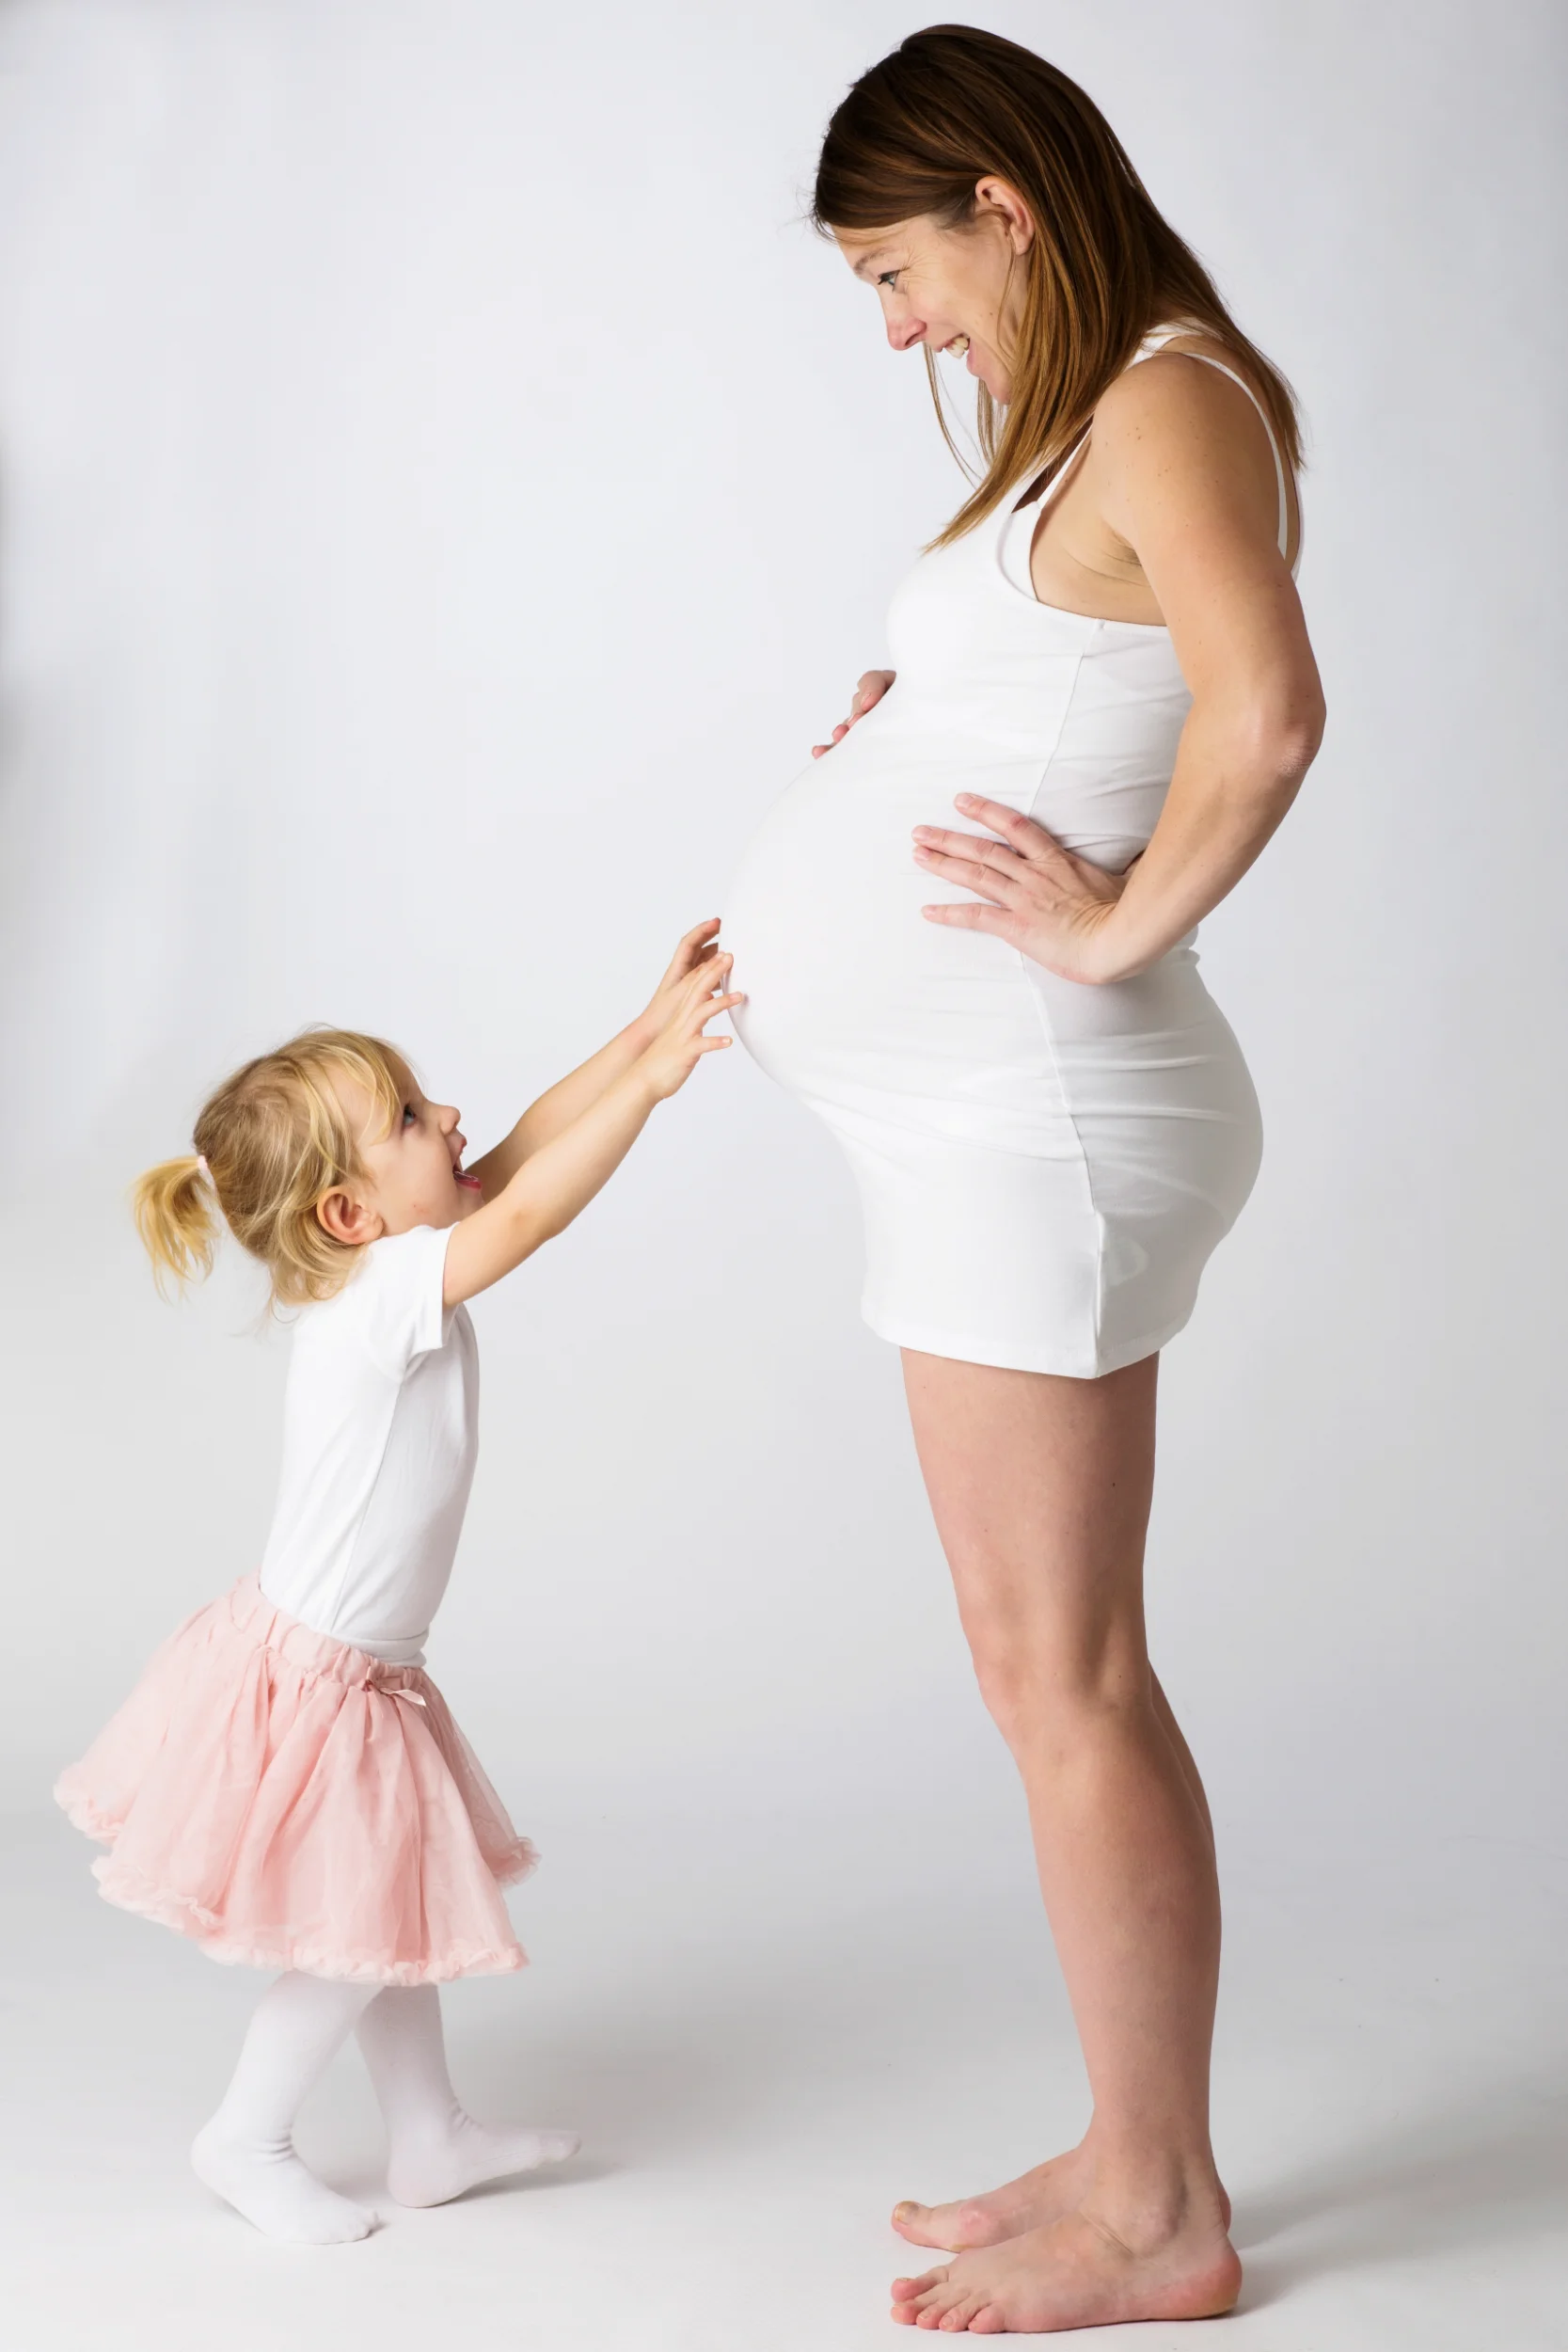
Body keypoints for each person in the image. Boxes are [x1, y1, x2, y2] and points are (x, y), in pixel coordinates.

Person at [724, 27, 1323, 2335]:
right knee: (1033, 1663)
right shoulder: (1085, 414)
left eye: (896, 274)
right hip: (968, 1119)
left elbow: (1264, 713)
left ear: (998, 199)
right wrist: (909, 738)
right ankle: (1123, 2136)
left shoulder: (1164, 394)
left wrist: (1104, 927)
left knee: (1062, 1671)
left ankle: (1158, 2207)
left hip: (1034, 1117)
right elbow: (1082, 681)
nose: (894, 331)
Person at [55, 927, 740, 2245]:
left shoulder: (390, 1271)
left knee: (388, 1906)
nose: (453, 1119)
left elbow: (520, 1151)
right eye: (415, 1120)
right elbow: (530, 1208)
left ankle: (429, 2135)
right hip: (325, 1679)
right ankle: (245, 2138)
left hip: (349, 1662)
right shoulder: (380, 1299)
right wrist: (655, 1089)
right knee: (352, 1926)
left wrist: (642, 1032)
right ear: (347, 1215)